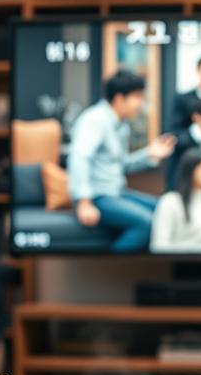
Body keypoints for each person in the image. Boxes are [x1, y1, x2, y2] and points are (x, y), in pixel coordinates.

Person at [67, 70, 176, 253]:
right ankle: (108, 268)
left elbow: (121, 164)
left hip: (116, 191)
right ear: (119, 98)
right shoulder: (95, 120)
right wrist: (84, 202)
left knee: (164, 208)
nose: (141, 104)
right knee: (146, 222)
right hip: (97, 196)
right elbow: (79, 157)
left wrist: (150, 154)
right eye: (138, 97)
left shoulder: (121, 125)